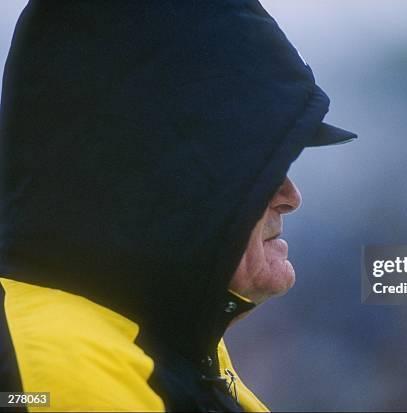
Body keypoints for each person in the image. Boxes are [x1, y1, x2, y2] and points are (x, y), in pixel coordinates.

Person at [0, 1, 356, 412]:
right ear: (164, 174)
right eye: (262, 165)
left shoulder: (168, 345)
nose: (291, 197)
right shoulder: (65, 371)